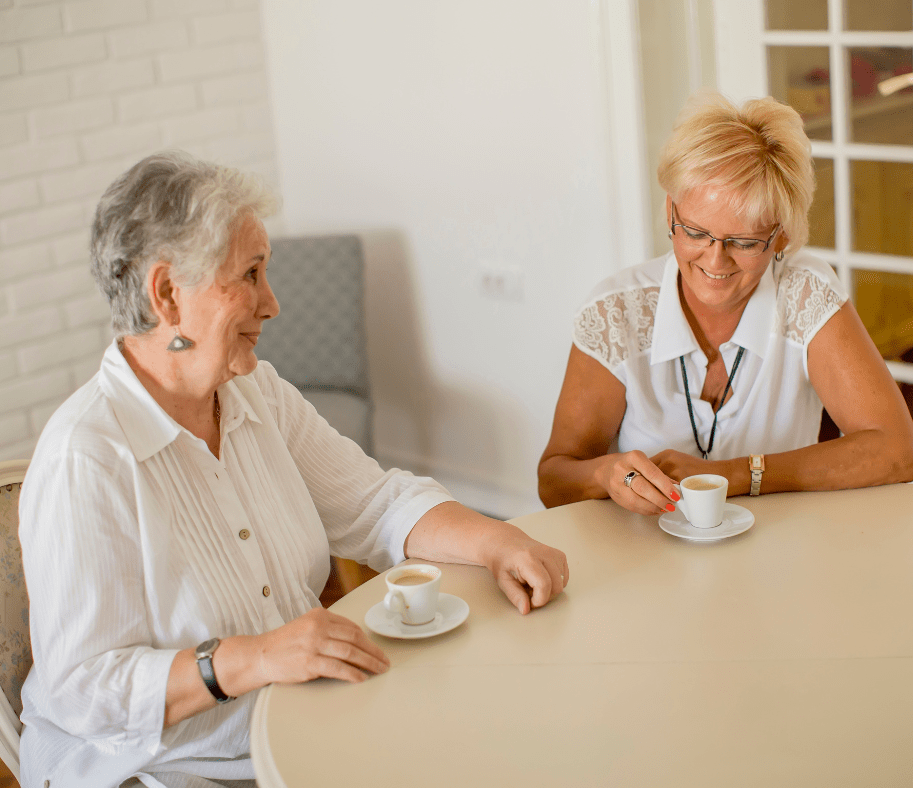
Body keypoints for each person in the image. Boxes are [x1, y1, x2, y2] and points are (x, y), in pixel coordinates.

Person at [18, 152, 568, 788]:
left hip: (296, 722)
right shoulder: (84, 458)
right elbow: (84, 690)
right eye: (250, 275)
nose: (272, 303)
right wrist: (253, 659)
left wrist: (500, 538)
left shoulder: (256, 394)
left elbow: (375, 504)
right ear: (167, 294)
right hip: (160, 769)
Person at [538, 94, 913, 515]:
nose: (715, 261)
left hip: (780, 549)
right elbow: (553, 481)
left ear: (782, 237)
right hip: (645, 554)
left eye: (743, 241)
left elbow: (897, 451)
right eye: (696, 233)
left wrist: (735, 474)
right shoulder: (616, 311)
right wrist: (606, 475)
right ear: (670, 213)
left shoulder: (805, 294)